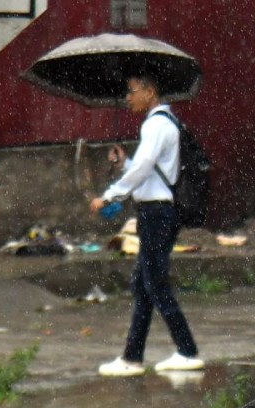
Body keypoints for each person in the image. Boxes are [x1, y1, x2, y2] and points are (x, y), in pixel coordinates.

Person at [89, 74, 203, 376]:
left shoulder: (155, 125)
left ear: (150, 92)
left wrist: (110, 194)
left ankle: (187, 351)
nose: (128, 98)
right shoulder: (166, 123)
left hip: (157, 213)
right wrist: (122, 163)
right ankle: (132, 357)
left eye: (131, 91)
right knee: (143, 284)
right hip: (157, 211)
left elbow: (142, 170)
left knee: (153, 283)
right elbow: (148, 171)